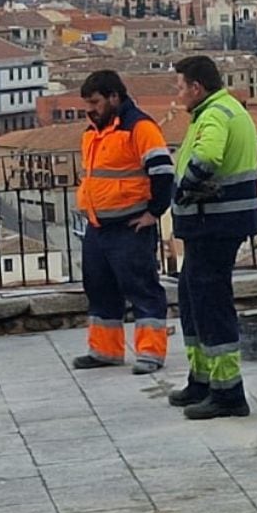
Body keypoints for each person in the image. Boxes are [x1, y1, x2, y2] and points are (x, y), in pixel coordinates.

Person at [167, 55, 257, 419]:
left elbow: (206, 157)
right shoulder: (221, 109)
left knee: (210, 303)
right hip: (214, 222)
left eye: (180, 87)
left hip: (215, 222)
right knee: (193, 298)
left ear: (196, 87)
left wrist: (184, 189)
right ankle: (202, 380)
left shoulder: (215, 115)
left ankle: (228, 392)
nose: (177, 95)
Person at [72, 70, 175, 374]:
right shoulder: (92, 132)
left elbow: (162, 172)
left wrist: (154, 212)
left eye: (95, 102)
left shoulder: (139, 127)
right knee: (100, 289)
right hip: (98, 225)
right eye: (87, 104)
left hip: (131, 225)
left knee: (142, 289)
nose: (90, 109)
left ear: (114, 97)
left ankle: (151, 353)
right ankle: (105, 350)